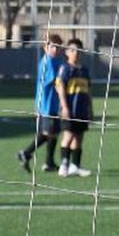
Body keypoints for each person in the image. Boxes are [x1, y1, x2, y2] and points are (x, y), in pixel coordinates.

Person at [17, 34, 64, 173]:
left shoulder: (55, 61)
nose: (55, 49)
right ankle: (26, 153)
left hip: (52, 103)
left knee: (53, 133)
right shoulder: (48, 62)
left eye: (58, 47)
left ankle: (49, 162)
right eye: (52, 46)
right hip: (47, 104)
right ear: (45, 47)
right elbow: (56, 81)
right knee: (47, 133)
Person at [55, 38, 92, 178]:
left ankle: (75, 166)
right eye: (72, 50)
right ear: (67, 52)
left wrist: (90, 108)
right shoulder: (65, 69)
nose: (75, 53)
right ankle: (63, 165)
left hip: (81, 110)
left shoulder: (84, 70)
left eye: (78, 50)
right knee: (68, 136)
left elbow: (88, 91)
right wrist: (64, 107)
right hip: (70, 109)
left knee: (79, 137)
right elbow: (60, 88)